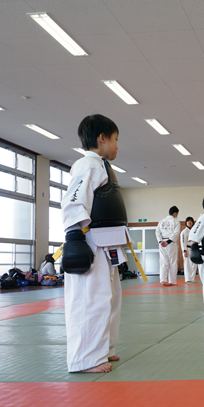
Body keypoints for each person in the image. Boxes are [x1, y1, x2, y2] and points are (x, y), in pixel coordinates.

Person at [61, 114, 128, 373]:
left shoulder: (102, 166)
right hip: (89, 241)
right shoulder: (87, 165)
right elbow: (73, 202)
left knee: (109, 298)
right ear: (102, 138)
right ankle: (85, 359)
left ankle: (104, 349)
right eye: (115, 139)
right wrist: (74, 238)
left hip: (105, 242)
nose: (117, 146)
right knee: (90, 299)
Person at [156, 206, 181, 286]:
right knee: (172, 262)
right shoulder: (176, 222)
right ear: (175, 213)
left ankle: (163, 280)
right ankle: (172, 281)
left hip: (162, 243)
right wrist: (168, 241)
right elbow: (176, 233)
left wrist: (160, 241)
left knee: (163, 262)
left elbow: (157, 232)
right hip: (171, 243)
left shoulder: (161, 221)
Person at [180, 216, 198, 284]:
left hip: (194, 248)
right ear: (186, 223)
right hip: (187, 248)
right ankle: (188, 279)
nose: (189, 222)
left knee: (194, 264)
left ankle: (192, 279)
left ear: (193, 222)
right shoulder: (184, 232)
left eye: (191, 221)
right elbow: (183, 242)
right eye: (188, 221)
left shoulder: (195, 230)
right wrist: (184, 250)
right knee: (188, 265)